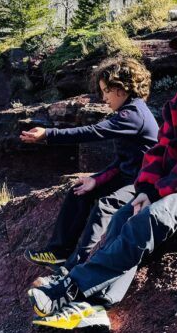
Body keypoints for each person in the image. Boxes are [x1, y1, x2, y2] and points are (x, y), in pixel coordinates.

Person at [28, 23, 177, 333]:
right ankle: (94, 307)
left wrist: (158, 193)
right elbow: (160, 151)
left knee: (152, 217)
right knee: (124, 215)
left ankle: (70, 287)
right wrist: (146, 188)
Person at [20, 56, 158, 273]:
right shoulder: (130, 111)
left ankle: (80, 263)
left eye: (106, 90)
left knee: (106, 204)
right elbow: (123, 162)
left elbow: (93, 132)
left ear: (122, 88)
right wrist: (96, 179)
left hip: (145, 182)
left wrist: (48, 134)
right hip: (129, 177)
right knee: (80, 191)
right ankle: (58, 253)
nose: (104, 98)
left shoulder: (134, 114)